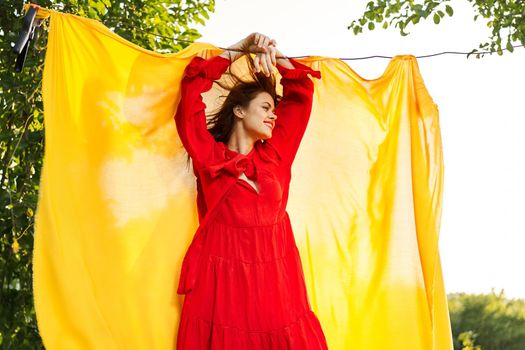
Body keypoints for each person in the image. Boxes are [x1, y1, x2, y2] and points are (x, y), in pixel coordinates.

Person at [174, 32, 328, 349]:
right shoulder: (209, 157)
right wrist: (236, 51)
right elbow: (189, 96)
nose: (274, 114)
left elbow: (301, 92)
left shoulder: (276, 155)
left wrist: (276, 55)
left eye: (274, 109)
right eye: (266, 107)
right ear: (240, 111)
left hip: (279, 293)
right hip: (223, 296)